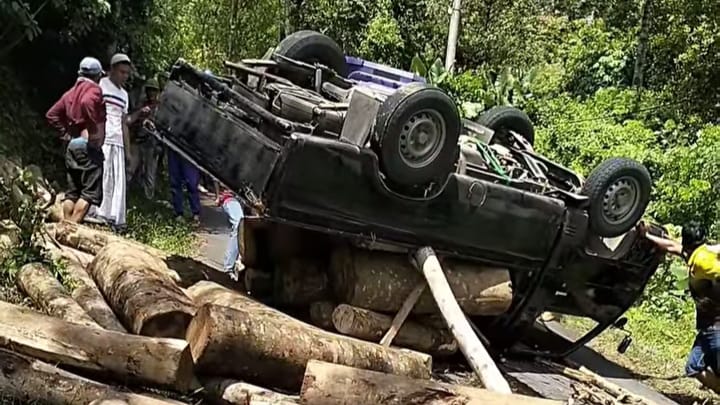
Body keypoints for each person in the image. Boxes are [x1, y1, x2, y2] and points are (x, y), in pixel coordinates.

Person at [642, 221, 720, 394]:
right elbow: (672, 245)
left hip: (717, 328)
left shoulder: (703, 261)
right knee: (693, 366)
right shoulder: (698, 254)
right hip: (708, 327)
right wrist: (647, 235)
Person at [45, 57, 106, 223]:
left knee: (72, 192)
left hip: (72, 146)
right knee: (88, 193)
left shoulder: (70, 93)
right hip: (88, 147)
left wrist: (66, 133)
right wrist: (93, 131)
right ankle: (71, 229)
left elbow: (51, 115)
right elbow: (87, 103)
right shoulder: (93, 89)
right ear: (97, 76)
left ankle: (63, 226)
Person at [96, 53, 133, 232]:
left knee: (117, 180)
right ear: (112, 70)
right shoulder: (101, 85)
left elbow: (124, 123)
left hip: (117, 139)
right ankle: (98, 213)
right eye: (121, 72)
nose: (124, 76)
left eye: (127, 73)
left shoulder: (124, 95)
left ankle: (114, 218)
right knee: (102, 177)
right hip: (103, 137)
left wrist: (128, 151)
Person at [127, 77, 162, 199]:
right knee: (130, 169)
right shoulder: (141, 105)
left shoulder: (160, 108)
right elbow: (132, 121)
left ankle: (148, 198)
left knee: (150, 173)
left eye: (154, 90)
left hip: (152, 144)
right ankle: (127, 195)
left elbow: (163, 129)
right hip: (138, 141)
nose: (151, 93)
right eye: (149, 90)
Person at [215, 182, 245, 281]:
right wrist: (218, 195)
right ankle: (228, 268)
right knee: (239, 224)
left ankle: (242, 261)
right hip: (231, 198)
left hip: (249, 200)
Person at [168, 151, 201, 225]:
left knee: (192, 184)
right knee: (175, 183)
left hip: (189, 151)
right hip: (174, 149)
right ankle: (178, 214)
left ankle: (195, 214)